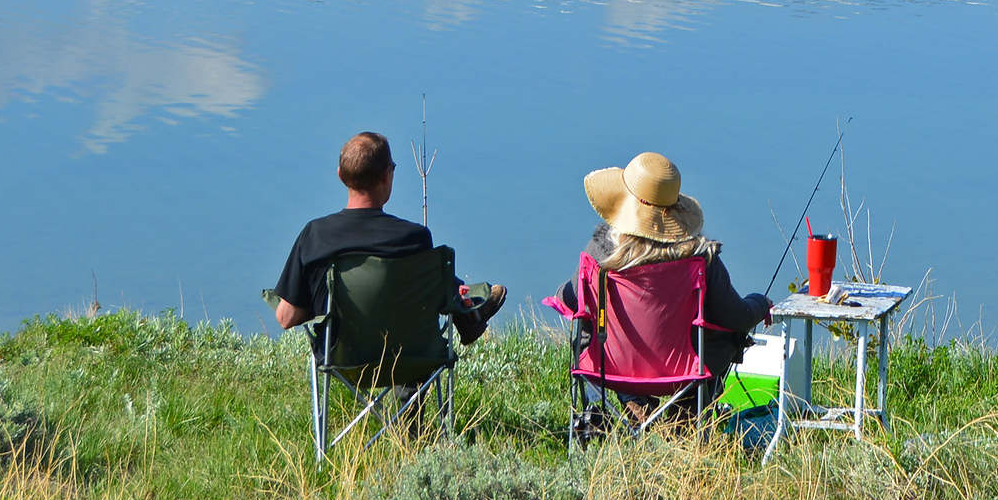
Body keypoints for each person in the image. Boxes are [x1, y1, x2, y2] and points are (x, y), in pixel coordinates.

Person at [272, 130, 506, 344]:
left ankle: (469, 312)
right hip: (409, 358)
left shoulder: (315, 235)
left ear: (340, 176)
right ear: (387, 176)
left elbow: (286, 317)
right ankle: (469, 313)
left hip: (340, 357)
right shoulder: (413, 238)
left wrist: (318, 298)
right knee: (437, 282)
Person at [556, 151, 772, 382]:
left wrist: (564, 293)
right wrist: (760, 303)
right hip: (686, 372)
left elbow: (569, 300)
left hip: (610, 367)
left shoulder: (600, 254)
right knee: (725, 335)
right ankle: (688, 407)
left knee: (593, 327)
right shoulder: (700, 258)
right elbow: (735, 317)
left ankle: (631, 403)